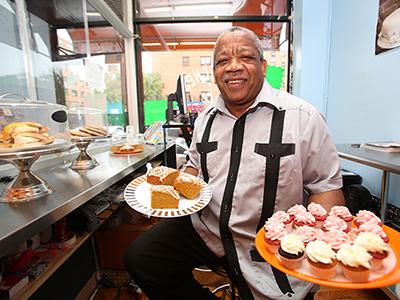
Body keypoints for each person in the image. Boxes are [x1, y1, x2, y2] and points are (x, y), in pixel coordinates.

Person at [124, 26, 345, 300]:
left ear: (263, 66)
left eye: (246, 57)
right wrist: (168, 196)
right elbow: (194, 168)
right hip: (210, 230)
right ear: (215, 72)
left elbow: (326, 190)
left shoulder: (303, 117)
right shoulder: (204, 119)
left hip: (267, 244)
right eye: (222, 61)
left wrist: (310, 245)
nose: (233, 67)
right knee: (143, 258)